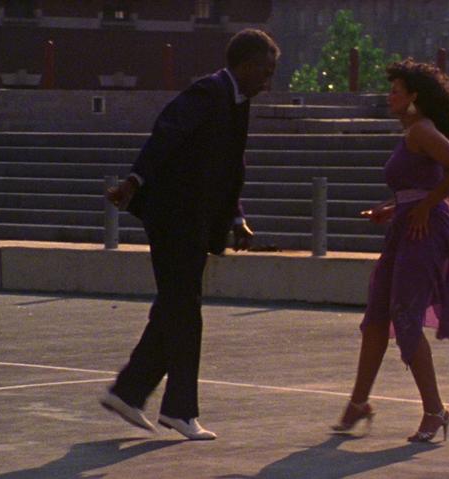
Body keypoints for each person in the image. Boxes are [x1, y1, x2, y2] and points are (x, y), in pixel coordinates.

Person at [100, 29, 280, 440]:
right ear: (245, 66)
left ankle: (129, 392)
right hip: (173, 216)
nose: (268, 82)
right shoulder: (209, 92)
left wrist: (236, 217)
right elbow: (167, 133)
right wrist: (134, 180)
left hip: (192, 218)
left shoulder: (237, 100)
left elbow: (229, 166)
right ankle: (178, 411)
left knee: (175, 308)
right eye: (265, 72)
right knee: (184, 312)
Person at [333, 59, 449, 442]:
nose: (389, 96)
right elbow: (418, 183)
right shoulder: (413, 132)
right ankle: (358, 403)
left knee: (405, 318)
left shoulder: (422, 130)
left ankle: (436, 412)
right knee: (376, 317)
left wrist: (424, 206)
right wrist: (392, 208)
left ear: (414, 96)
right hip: (406, 225)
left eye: (396, 91)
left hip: (426, 230)